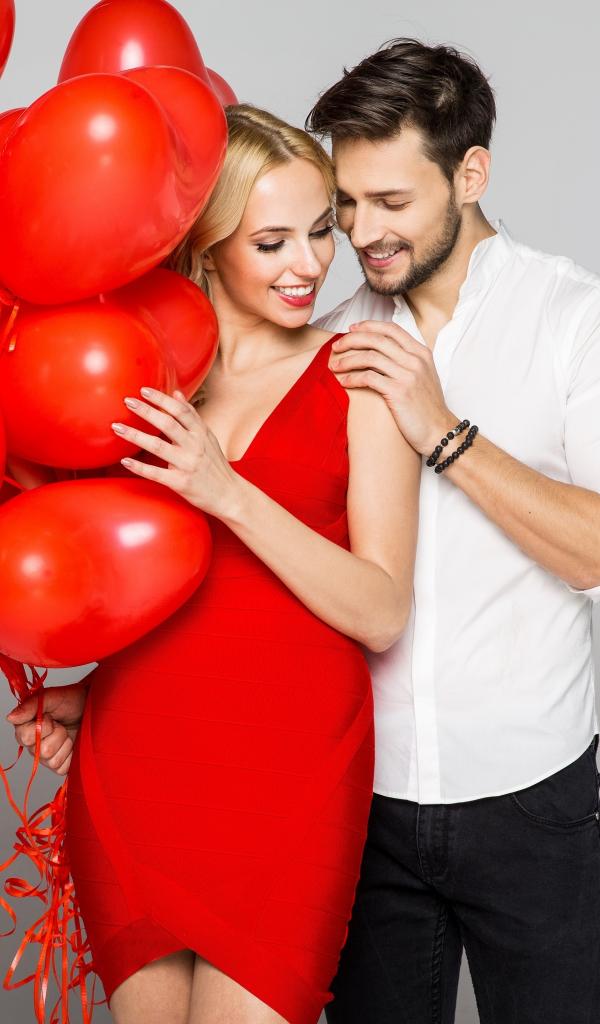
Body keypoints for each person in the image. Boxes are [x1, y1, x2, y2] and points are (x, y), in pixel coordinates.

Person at [5, 104, 419, 1024]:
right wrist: (89, 685)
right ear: (207, 243)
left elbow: (383, 608)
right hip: (139, 761)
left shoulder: (361, 372)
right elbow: (137, 578)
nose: (311, 264)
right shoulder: (137, 379)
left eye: (321, 231)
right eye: (272, 242)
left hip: (290, 779)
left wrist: (226, 490)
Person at [304, 37, 600, 1024]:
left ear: (471, 174)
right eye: (348, 202)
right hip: (364, 806)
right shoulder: (327, 341)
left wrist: (443, 432)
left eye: (392, 201)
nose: (362, 231)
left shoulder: (572, 319)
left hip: (536, 800)